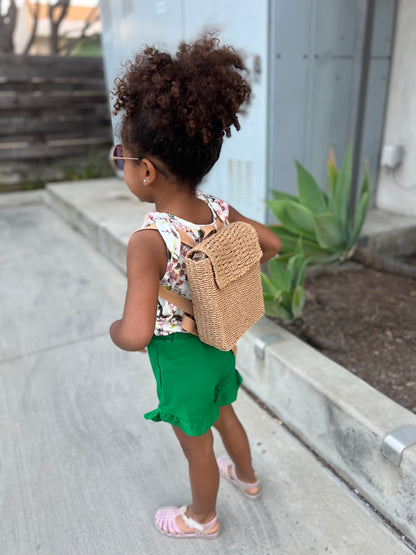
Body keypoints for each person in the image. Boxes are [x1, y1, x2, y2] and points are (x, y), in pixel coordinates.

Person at [109, 34, 281, 539]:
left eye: (123, 155)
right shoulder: (220, 211)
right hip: (221, 338)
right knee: (226, 413)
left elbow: (137, 334)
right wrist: (230, 277)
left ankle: (202, 517)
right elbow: (269, 243)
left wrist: (115, 328)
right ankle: (247, 478)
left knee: (197, 442)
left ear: (144, 170)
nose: (123, 164)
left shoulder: (148, 241)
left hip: (181, 358)